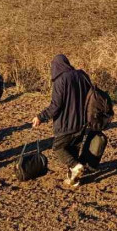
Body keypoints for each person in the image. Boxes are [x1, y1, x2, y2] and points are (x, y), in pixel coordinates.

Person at [31, 54, 92, 187]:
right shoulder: (82, 75)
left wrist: (40, 117)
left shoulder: (60, 80)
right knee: (73, 150)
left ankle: (76, 166)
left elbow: (56, 106)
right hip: (82, 122)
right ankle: (73, 180)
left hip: (66, 123)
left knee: (58, 148)